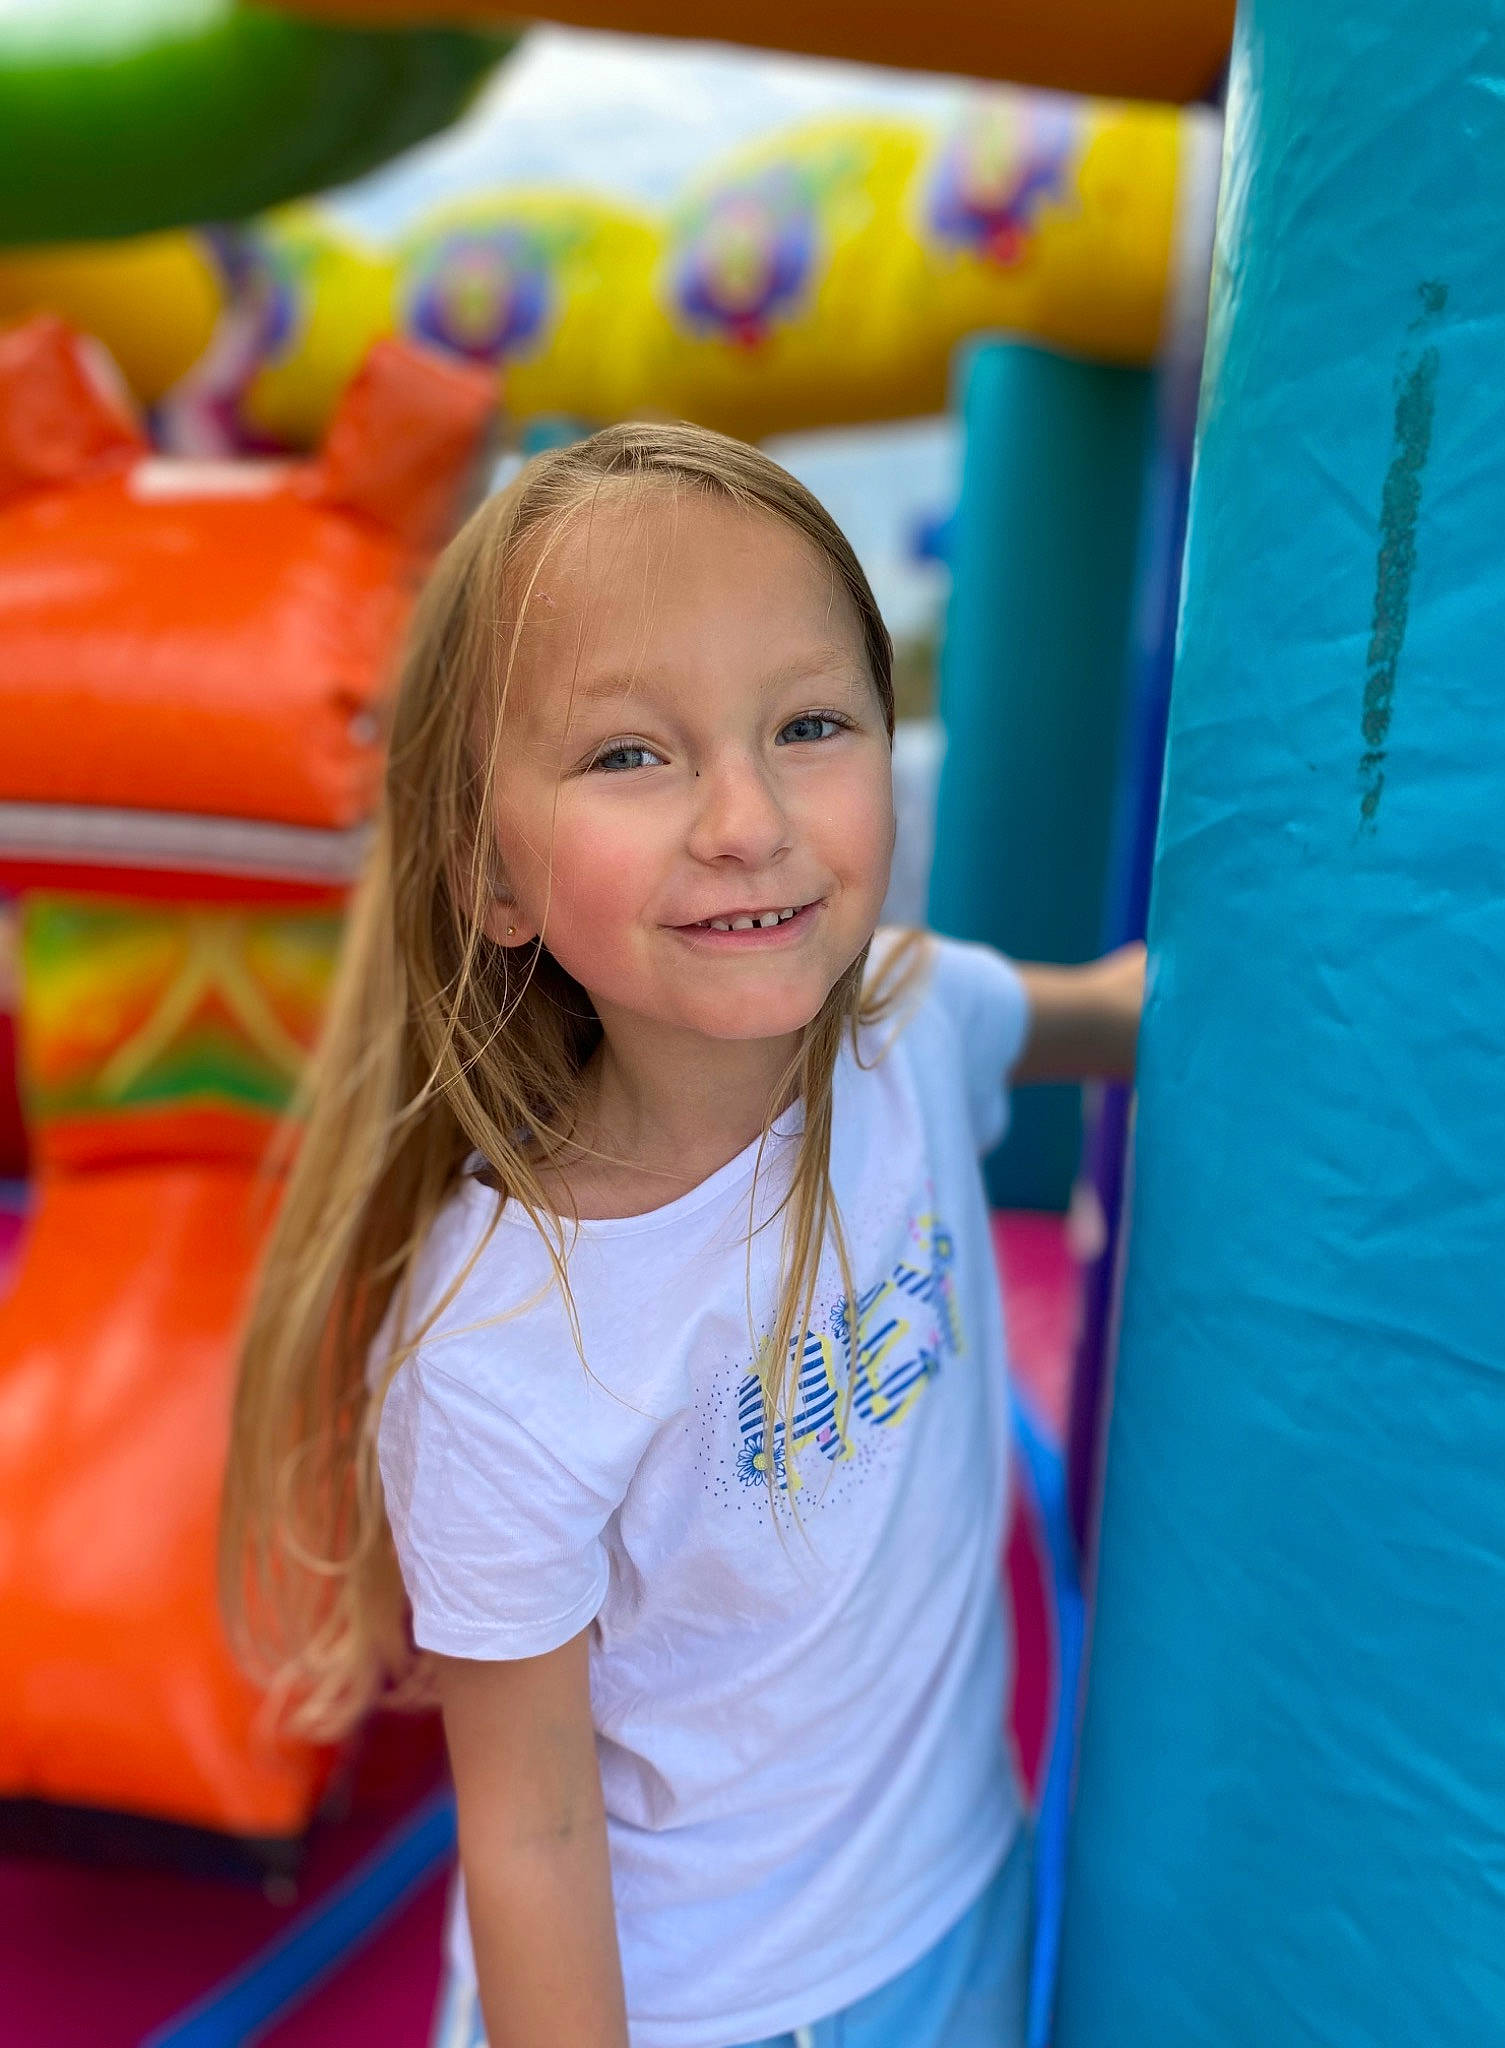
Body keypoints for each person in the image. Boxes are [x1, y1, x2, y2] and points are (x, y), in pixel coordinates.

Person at [221, 423, 1142, 2048]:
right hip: (708, 2013)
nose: (745, 816)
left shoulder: (911, 1020)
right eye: (632, 754)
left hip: (961, 1898)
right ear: (494, 876)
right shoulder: (505, 1349)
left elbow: (1138, 1010)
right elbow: (530, 1836)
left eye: (808, 724)